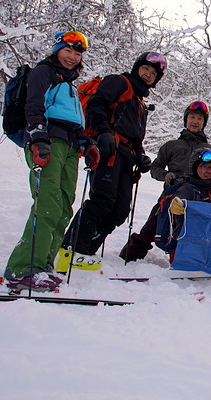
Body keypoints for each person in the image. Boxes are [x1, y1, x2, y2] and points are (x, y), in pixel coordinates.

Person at [4, 31, 100, 291]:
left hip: (68, 147)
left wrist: (86, 143)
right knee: (46, 203)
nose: (72, 57)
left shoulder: (69, 85)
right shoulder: (43, 72)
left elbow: (73, 122)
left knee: (63, 207)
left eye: (77, 53)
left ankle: (43, 264)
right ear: (57, 49)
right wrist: (37, 137)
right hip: (48, 142)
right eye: (67, 50)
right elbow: (33, 106)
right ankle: (22, 268)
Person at [56, 52, 166, 272]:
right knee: (102, 200)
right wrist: (103, 132)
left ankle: (86, 251)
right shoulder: (119, 82)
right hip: (107, 150)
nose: (148, 75)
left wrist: (141, 156)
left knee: (120, 209)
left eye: (153, 74)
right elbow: (97, 104)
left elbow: (135, 136)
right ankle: (70, 250)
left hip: (125, 157)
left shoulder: (139, 102)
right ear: (137, 67)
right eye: (145, 69)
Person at [119, 101, 211, 262]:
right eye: (192, 117)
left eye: (199, 118)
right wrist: (167, 175)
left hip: (197, 198)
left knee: (188, 228)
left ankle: (182, 258)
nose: (195, 121)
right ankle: (130, 255)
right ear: (186, 120)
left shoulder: (208, 149)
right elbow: (155, 167)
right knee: (154, 224)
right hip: (171, 193)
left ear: (204, 123)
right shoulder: (171, 146)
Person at [153, 148, 211, 262]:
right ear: (195, 169)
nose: (209, 171)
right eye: (204, 166)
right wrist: (178, 208)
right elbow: (177, 204)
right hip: (186, 249)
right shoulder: (187, 190)